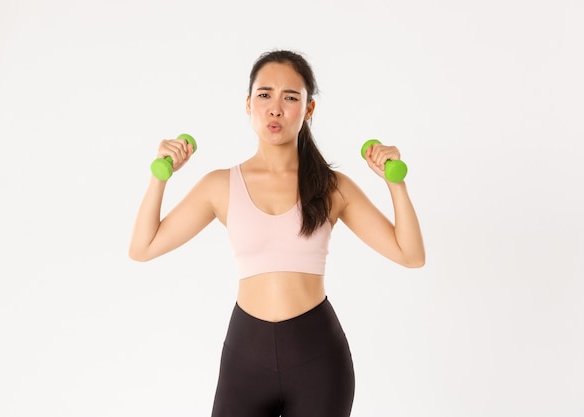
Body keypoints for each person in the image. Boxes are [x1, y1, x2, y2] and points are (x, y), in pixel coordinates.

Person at [129, 49, 425, 417]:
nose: (275, 108)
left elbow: (411, 255)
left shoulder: (332, 186)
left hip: (318, 360)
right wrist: (161, 177)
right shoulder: (220, 185)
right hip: (245, 359)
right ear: (248, 104)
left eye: (291, 97)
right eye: (265, 95)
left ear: (309, 110)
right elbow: (143, 247)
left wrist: (396, 183)